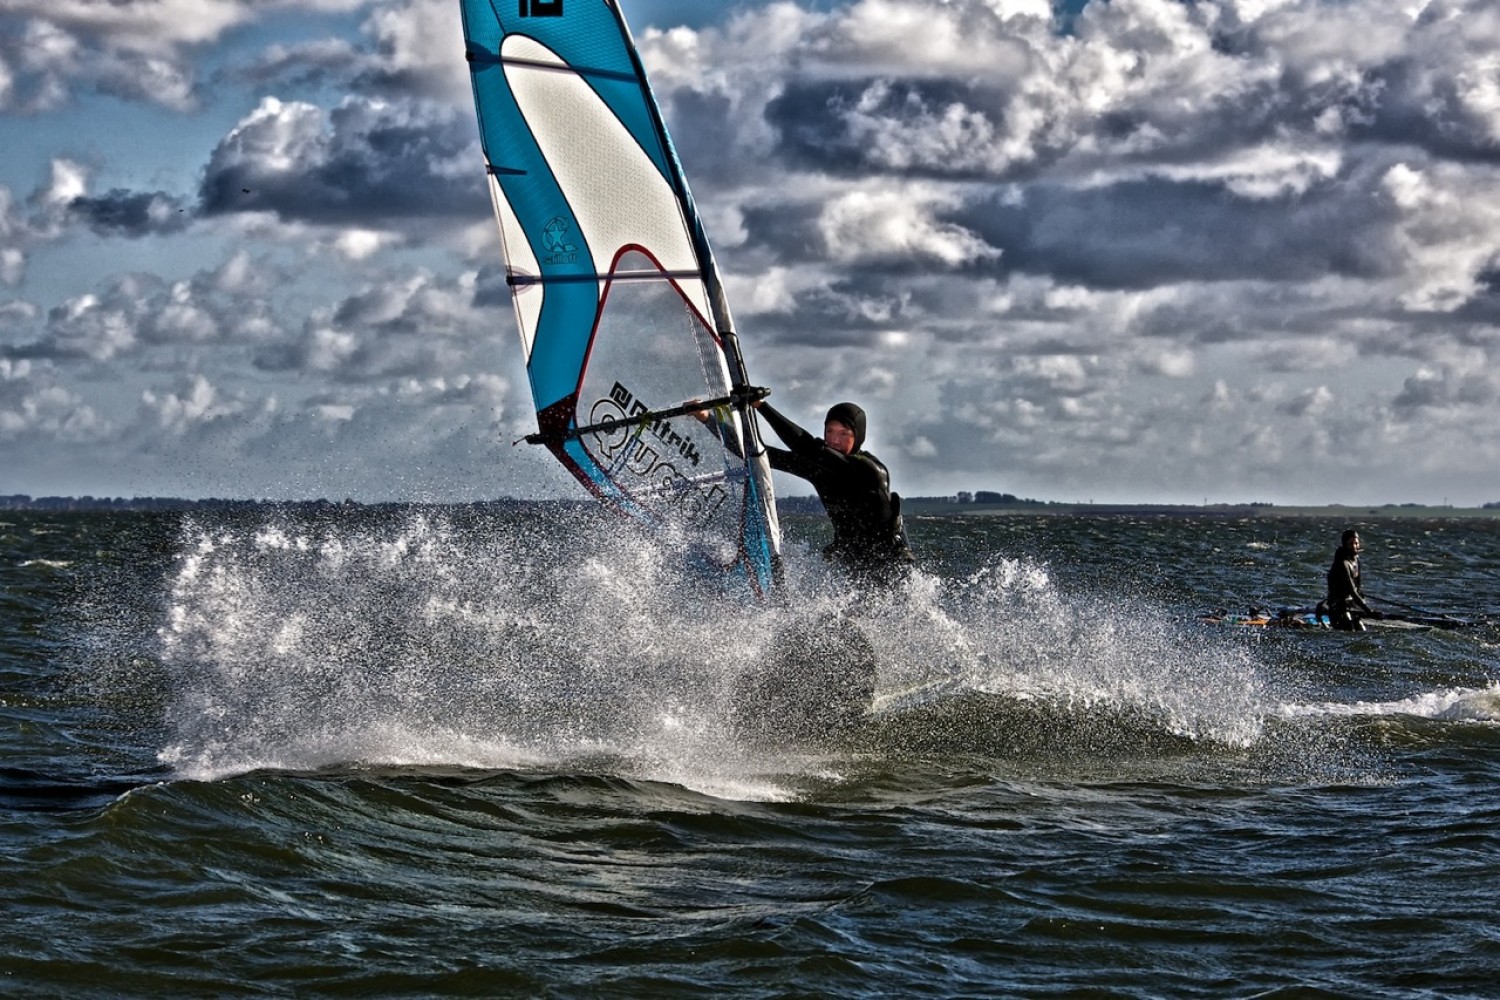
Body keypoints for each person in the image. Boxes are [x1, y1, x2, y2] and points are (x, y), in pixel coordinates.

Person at [695, 396, 913, 583]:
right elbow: (759, 453)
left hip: (891, 565)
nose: (835, 440)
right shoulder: (818, 469)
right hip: (855, 563)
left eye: (844, 433)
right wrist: (707, 419)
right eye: (830, 431)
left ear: (858, 437)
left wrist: (761, 406)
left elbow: (806, 446)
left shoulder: (869, 471)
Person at [1319, 529, 1379, 631]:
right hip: (1337, 606)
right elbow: (1352, 590)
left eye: (1356, 543)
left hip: (1351, 604)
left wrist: (1362, 603)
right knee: (1349, 630)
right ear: (1345, 545)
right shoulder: (1343, 563)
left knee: (1362, 630)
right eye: (1350, 544)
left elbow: (1357, 589)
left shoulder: (1357, 560)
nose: (1354, 547)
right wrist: (1369, 611)